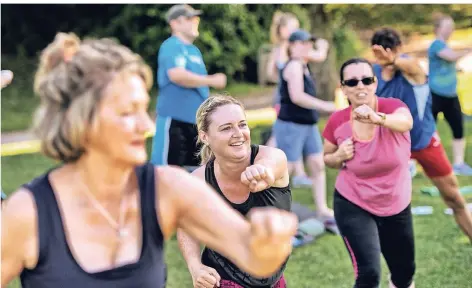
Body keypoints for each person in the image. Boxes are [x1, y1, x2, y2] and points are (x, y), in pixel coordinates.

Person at [0, 32, 298, 288]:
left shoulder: (165, 188)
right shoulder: (29, 214)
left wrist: (269, 239)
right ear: (83, 120)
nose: (146, 125)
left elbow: (254, 256)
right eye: (128, 112)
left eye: (144, 109)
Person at [177, 95, 291, 288]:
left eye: (242, 125)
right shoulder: (198, 181)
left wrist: (262, 171)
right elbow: (186, 226)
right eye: (226, 128)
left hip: (273, 279)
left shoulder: (272, 157)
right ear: (205, 136)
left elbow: (270, 167)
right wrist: (195, 266)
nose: (238, 133)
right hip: (225, 280)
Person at [371, 27, 472, 242]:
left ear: (399, 48)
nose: (387, 54)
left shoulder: (410, 68)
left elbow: (413, 66)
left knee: (453, 198)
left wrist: (393, 59)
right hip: (393, 148)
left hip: (423, 141)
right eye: (382, 50)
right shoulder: (373, 75)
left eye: (391, 49)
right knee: (386, 207)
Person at [323, 57, 415, 288]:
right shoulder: (337, 121)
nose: (360, 86)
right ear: (343, 88)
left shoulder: (392, 108)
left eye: (366, 79)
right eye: (352, 82)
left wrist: (378, 119)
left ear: (375, 83)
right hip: (353, 202)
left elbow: (406, 122)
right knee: (369, 274)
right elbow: (328, 158)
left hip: (396, 202)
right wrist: (339, 156)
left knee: (404, 273)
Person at [150, 4, 227, 172]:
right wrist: (211, 80)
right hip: (175, 120)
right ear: (174, 23)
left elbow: (196, 85)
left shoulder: (194, 50)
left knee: (194, 171)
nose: (195, 21)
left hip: (194, 121)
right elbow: (176, 75)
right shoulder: (172, 45)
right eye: (189, 18)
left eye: (196, 18)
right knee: (167, 171)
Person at [273, 29, 336, 219]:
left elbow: (319, 55)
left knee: (317, 164)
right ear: (292, 46)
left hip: (308, 124)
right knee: (287, 170)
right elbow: (297, 97)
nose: (307, 46)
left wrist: (322, 47)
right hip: (291, 125)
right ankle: (272, 210)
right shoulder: (293, 66)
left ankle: (322, 208)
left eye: (309, 43)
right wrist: (325, 106)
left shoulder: (303, 64)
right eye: (303, 43)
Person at [265, 11, 331, 188]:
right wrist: (323, 46)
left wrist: (281, 77)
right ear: (284, 30)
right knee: (285, 155)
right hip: (288, 104)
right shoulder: (293, 54)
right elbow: (298, 95)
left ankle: (271, 165)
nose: (297, 29)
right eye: (293, 26)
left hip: (286, 100)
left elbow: (270, 73)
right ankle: (266, 182)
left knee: (280, 144)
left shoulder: (280, 50)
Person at [428, 13, 472, 176]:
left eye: (452, 26)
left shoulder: (445, 45)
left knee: (458, 128)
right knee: (426, 129)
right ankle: (412, 162)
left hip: (450, 95)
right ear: (439, 28)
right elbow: (451, 57)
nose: (451, 29)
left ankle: (459, 164)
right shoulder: (436, 45)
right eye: (448, 26)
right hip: (435, 94)